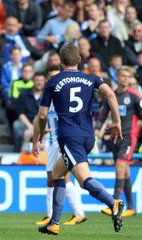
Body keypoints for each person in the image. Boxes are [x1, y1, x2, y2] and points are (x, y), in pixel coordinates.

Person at [33, 44, 124, 235]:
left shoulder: (54, 81)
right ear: (79, 60)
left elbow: (42, 116)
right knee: (58, 173)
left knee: (84, 180)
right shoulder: (91, 78)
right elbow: (110, 94)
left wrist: (41, 132)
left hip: (69, 137)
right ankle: (54, 223)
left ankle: (112, 202)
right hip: (88, 136)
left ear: (60, 61)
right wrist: (117, 122)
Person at [34, 65, 86, 226]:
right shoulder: (49, 95)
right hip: (51, 143)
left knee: (64, 177)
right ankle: (50, 215)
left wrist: (66, 140)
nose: (54, 79)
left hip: (62, 141)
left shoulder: (66, 97)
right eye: (51, 76)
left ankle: (79, 213)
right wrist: (35, 141)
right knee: (51, 179)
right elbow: (39, 119)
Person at [96, 66, 142, 218]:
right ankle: (131, 208)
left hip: (129, 137)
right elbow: (103, 115)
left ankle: (114, 204)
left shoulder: (135, 96)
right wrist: (97, 129)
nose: (125, 78)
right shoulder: (111, 96)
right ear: (117, 78)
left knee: (120, 167)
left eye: (128, 76)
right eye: (123, 76)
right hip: (115, 137)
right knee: (124, 171)